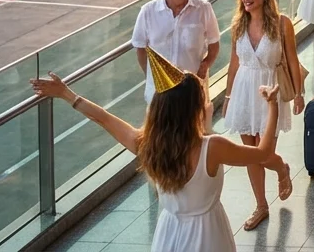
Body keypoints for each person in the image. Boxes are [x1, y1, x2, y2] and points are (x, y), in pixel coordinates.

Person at [30, 49, 290, 252]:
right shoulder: (214, 148)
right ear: (194, 108)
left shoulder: (148, 145)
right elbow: (264, 152)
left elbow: (104, 119)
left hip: (169, 231)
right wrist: (272, 105)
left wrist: (66, 93)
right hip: (208, 234)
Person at [222, 0, 300, 230]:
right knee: (248, 153)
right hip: (244, 90)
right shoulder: (238, 25)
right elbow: (233, 64)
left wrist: (299, 94)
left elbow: (291, 59)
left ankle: (282, 168)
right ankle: (261, 206)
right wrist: (228, 96)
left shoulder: (282, 24)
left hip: (271, 92)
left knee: (264, 152)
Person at [133, 0, 220, 104]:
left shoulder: (203, 8)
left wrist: (206, 64)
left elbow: (214, 44)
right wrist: (151, 75)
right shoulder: (148, 12)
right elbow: (140, 47)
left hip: (192, 92)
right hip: (159, 93)